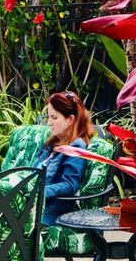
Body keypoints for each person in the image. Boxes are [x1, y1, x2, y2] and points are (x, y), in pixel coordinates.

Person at [33, 91, 94, 226]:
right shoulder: (52, 142)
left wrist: (39, 192)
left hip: (51, 209)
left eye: (54, 118)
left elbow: (70, 184)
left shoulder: (76, 146)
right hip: (34, 203)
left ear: (70, 120)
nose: (49, 123)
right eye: (48, 117)